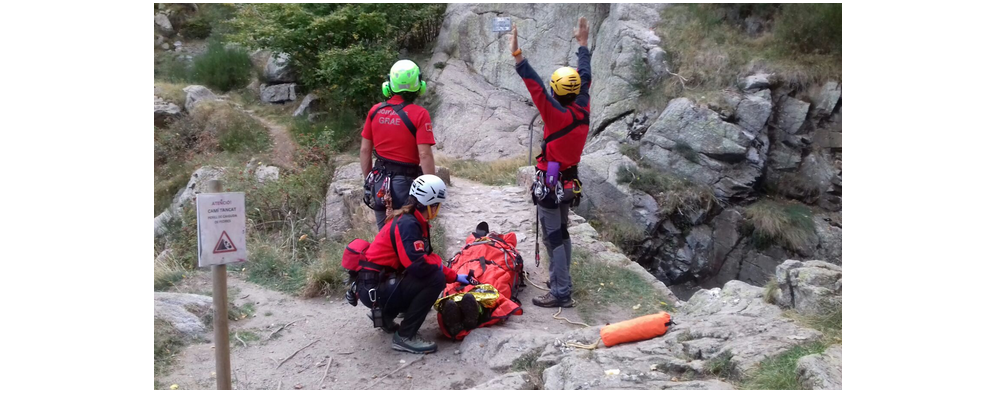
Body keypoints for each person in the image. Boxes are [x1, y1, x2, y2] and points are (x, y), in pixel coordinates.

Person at [510, 17, 592, 308]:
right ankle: (561, 280)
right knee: (563, 232)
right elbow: (585, 74)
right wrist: (583, 44)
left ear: (556, 91)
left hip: (550, 183)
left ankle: (560, 292)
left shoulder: (555, 114)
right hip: (569, 182)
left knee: (554, 237)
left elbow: (535, 86)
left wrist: (517, 54)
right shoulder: (583, 106)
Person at [356, 175, 474, 354]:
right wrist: (442, 272)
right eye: (438, 205)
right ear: (431, 205)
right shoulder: (409, 225)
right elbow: (418, 266)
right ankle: (405, 336)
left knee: (432, 274)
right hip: (375, 288)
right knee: (435, 279)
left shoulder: (411, 219)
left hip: (373, 284)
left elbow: (425, 257)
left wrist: (455, 276)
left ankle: (385, 317)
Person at [360, 59, 437, 230]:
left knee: (384, 236)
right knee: (409, 234)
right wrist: (431, 190)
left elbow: (365, 150)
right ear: (419, 85)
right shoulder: (420, 114)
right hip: (406, 184)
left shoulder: (375, 111)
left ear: (389, 84)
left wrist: (369, 182)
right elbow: (424, 155)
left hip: (379, 181)